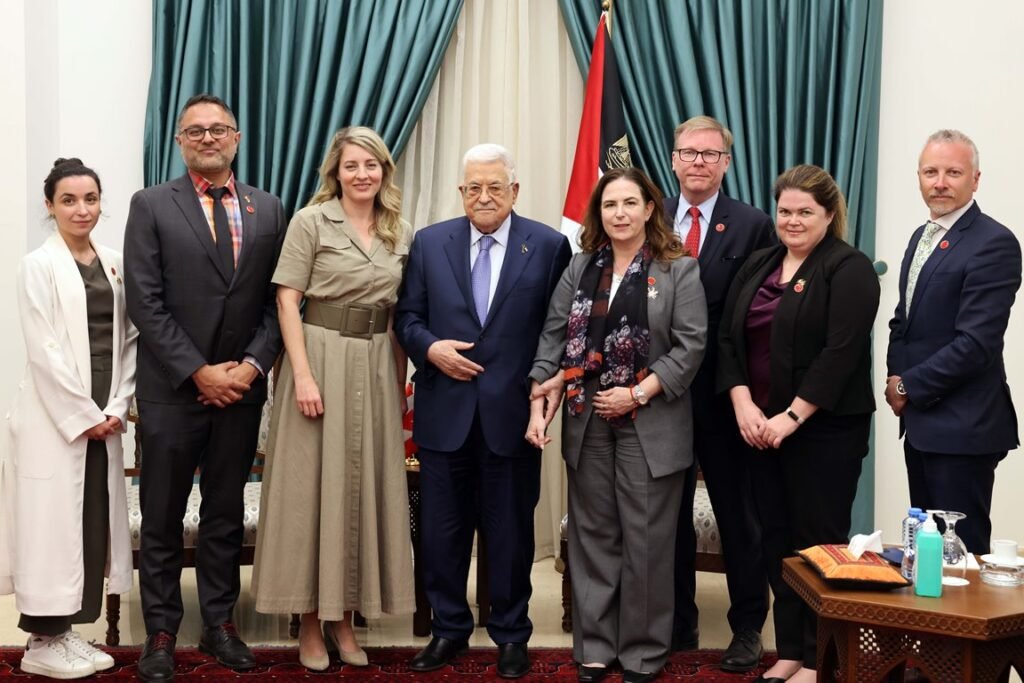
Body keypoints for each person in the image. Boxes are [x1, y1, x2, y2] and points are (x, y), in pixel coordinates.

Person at [123, 94, 286, 682]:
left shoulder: (269, 209)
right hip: (173, 391)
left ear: (236, 137)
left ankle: (219, 624)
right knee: (162, 517)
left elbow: (279, 301)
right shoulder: (151, 205)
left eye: (219, 128)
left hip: (241, 389)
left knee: (222, 514)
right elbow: (145, 300)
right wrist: (199, 371)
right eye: (195, 130)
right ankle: (161, 632)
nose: (208, 137)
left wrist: (250, 367)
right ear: (179, 142)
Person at [394, 144, 571, 679]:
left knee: (511, 534)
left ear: (514, 191)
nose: (484, 196)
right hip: (443, 415)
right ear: (461, 192)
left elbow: (556, 328)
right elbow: (407, 316)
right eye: (474, 187)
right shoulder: (429, 243)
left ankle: (512, 635)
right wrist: (430, 349)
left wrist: (542, 389)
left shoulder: (548, 245)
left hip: (513, 417)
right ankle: (449, 631)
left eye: (495, 186)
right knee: (442, 533)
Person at [528, 167, 707, 683]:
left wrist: (636, 392)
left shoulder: (679, 268)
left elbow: (691, 345)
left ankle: (644, 653)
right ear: (598, 213)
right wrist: (542, 387)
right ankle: (596, 647)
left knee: (646, 540)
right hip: (587, 421)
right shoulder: (581, 265)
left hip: (651, 421)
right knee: (593, 537)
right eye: (610, 205)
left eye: (630, 204)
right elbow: (554, 337)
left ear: (650, 209)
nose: (620, 214)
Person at [251, 126, 415, 670]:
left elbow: (395, 319)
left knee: (361, 490)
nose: (362, 174)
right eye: (352, 166)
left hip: (374, 361)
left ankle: (345, 620)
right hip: (318, 358)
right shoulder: (310, 221)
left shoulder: (399, 231)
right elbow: (286, 301)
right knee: (310, 492)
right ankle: (307, 624)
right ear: (335, 172)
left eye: (371, 165)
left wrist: (397, 386)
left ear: (383, 172)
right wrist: (300, 375)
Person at [717, 165, 879, 683]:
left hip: (823, 434)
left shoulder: (847, 267)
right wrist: (743, 404)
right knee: (776, 543)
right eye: (784, 211)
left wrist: (790, 417)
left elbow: (841, 353)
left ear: (829, 215)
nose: (792, 220)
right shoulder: (762, 262)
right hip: (759, 430)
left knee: (818, 544)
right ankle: (788, 650)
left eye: (805, 212)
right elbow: (728, 339)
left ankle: (819, 658)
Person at [0, 158, 137, 679]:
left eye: (91, 199)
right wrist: (83, 414)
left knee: (89, 523)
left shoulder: (116, 262)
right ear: (50, 206)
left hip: (105, 408)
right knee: (49, 525)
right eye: (69, 200)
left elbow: (129, 340)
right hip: (53, 415)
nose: (82, 210)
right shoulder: (38, 265)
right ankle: (40, 639)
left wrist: (116, 406)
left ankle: (67, 633)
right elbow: (44, 348)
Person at [664, 116, 774, 670]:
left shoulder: (753, 224)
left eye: (710, 154)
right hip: (659, 395)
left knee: (737, 513)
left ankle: (748, 624)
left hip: (725, 394)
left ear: (726, 163)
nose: (699, 162)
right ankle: (678, 622)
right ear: (674, 158)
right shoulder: (649, 215)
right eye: (689, 153)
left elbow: (759, 314)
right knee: (667, 513)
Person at [885, 129, 1021, 554]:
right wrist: (893, 375)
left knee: (962, 562)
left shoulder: (993, 243)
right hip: (923, 425)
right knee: (927, 556)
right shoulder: (921, 236)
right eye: (930, 171)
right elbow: (904, 322)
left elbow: (976, 344)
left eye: (953, 172)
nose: (939, 181)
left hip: (963, 428)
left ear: (976, 179)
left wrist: (908, 386)